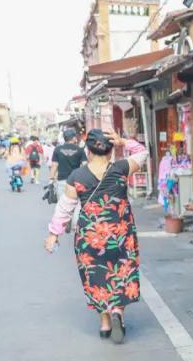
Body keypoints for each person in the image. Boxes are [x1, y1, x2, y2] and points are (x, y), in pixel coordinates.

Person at [44, 129, 148, 342]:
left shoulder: (77, 176)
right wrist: (123, 141)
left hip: (90, 236)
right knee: (121, 273)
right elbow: (142, 152)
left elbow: (65, 208)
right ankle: (118, 310)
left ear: (88, 152)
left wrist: (53, 234)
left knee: (96, 277)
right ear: (111, 151)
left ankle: (105, 323)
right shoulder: (122, 168)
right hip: (121, 233)